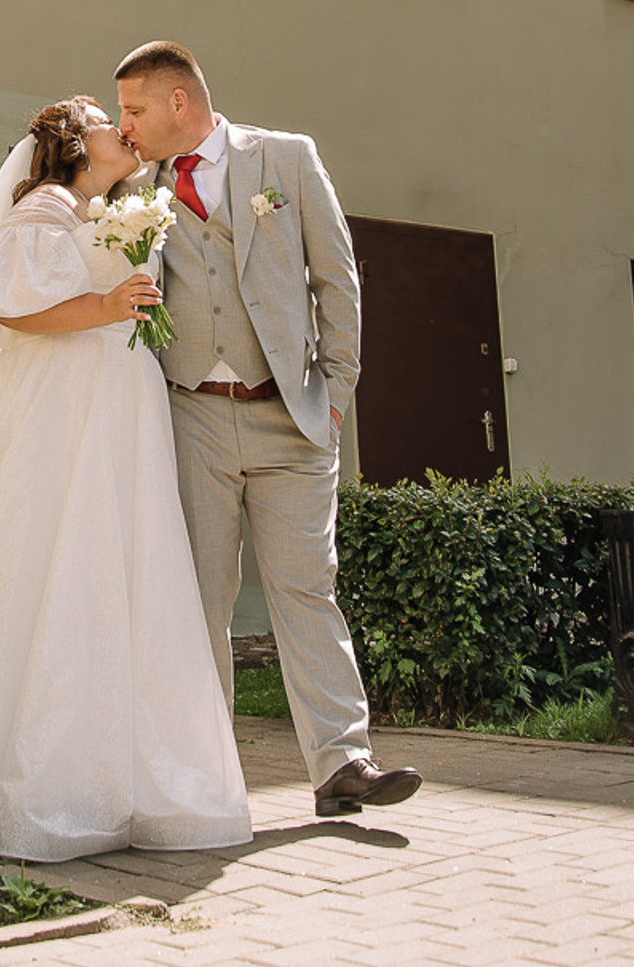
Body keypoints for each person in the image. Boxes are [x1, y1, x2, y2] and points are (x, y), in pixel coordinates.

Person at [0, 96, 251, 862]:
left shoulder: (103, 208)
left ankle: (119, 779)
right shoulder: (45, 206)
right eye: (109, 121)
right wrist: (106, 303)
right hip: (59, 411)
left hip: (114, 403)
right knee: (44, 559)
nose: (123, 131)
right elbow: (1, 310)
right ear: (75, 142)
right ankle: (31, 783)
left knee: (113, 568)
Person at [113, 41, 422, 817]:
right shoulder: (135, 188)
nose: (126, 126)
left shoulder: (285, 160)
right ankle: (206, 777)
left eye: (135, 110)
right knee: (201, 601)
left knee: (306, 589)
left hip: (292, 416)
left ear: (178, 103)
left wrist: (337, 397)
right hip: (193, 415)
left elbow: (336, 279)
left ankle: (344, 761)